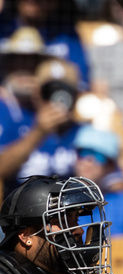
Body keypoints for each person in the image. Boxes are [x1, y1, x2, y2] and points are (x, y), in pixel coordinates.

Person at [0, 58, 83, 195]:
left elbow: (112, 182)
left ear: (77, 95)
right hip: (23, 211)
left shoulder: (83, 132)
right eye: (49, 91)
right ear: (36, 93)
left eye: (65, 91)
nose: (57, 100)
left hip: (68, 210)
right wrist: (38, 132)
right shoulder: (17, 123)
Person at [72, 125, 123, 237]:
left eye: (99, 155)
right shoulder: (61, 203)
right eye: (83, 152)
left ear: (110, 165)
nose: (88, 160)